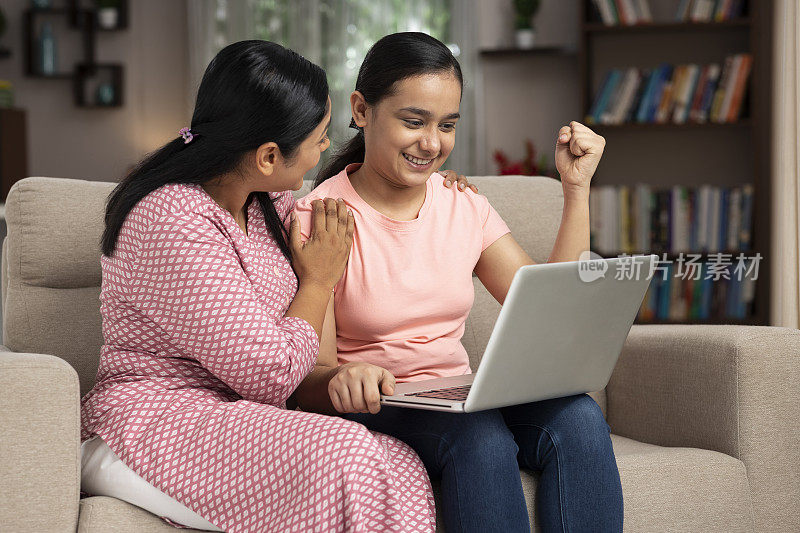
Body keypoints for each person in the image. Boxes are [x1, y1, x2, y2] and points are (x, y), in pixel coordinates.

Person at [79, 39, 476, 533]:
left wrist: (432, 183)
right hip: (149, 423)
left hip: (236, 416)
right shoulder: (169, 217)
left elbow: (343, 199)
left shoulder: (265, 202)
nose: (325, 147)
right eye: (317, 138)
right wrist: (318, 281)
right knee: (348, 453)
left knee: (395, 457)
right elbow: (269, 376)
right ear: (269, 155)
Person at [292, 32, 623, 533]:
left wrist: (575, 190)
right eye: (413, 121)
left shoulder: (463, 203)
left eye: (447, 125)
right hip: (386, 404)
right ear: (361, 110)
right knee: (480, 436)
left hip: (460, 396)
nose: (432, 143)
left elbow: (548, 307)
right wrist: (342, 378)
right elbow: (312, 376)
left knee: (578, 417)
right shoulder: (323, 217)